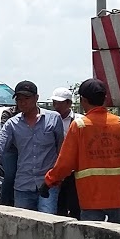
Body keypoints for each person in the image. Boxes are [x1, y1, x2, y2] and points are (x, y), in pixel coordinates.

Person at [44, 77, 120, 224]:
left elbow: (65, 163)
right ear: (105, 99)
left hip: (91, 196)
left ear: (83, 100)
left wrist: (49, 181)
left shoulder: (80, 125)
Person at [0, 80, 64, 214]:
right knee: (23, 226)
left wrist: (59, 175)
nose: (22, 102)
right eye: (19, 99)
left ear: (36, 98)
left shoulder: (54, 119)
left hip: (48, 183)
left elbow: (61, 148)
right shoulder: (12, 124)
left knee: (47, 225)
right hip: (23, 185)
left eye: (26, 98)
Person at [48, 86, 81, 220]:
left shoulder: (79, 121)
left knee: (74, 203)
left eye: (60, 103)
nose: (56, 106)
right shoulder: (48, 120)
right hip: (56, 167)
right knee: (58, 204)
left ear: (69, 103)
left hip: (74, 169)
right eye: (54, 103)